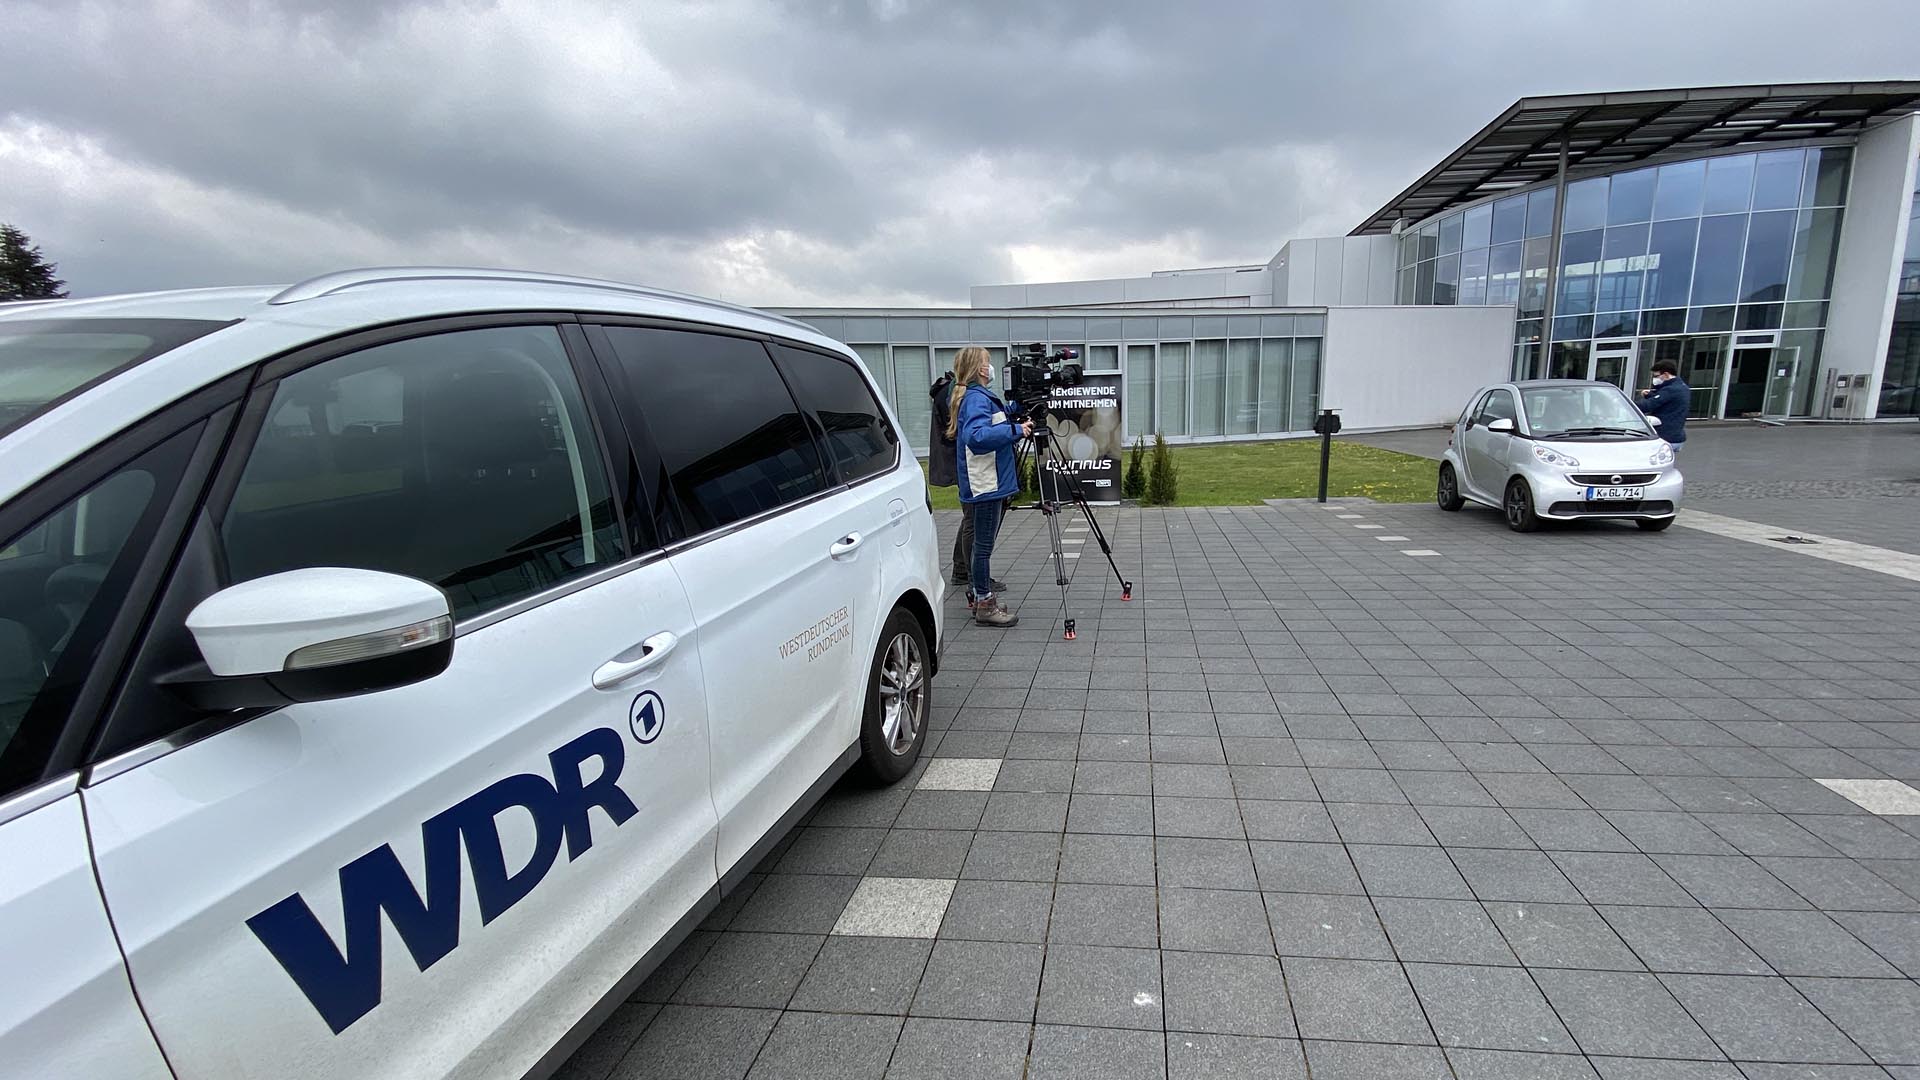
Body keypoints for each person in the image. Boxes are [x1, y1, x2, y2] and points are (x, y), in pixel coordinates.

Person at [950, 346, 1030, 627]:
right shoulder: (975, 399)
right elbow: (977, 436)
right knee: (983, 547)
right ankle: (984, 603)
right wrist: (1017, 430)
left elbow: (994, 418)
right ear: (980, 369)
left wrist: (1015, 409)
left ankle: (979, 596)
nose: (991, 366)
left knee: (980, 545)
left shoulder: (979, 397)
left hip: (985, 481)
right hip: (985, 483)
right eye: (988, 362)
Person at [928, 368, 1002, 595]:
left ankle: (964, 570)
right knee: (973, 519)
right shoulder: (956, 393)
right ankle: (973, 576)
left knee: (971, 518)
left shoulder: (953, 391)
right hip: (966, 465)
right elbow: (972, 434)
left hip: (961, 462)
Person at [1638, 358, 1690, 452]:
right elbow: (1666, 401)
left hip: (1665, 437)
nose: (1655, 379)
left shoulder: (1670, 390)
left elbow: (1647, 406)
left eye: (1656, 376)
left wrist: (1627, 406)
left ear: (1666, 374)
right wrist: (1650, 395)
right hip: (1677, 436)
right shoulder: (1682, 387)